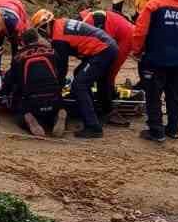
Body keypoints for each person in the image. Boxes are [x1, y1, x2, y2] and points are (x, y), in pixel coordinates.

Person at [30, 8, 117, 139]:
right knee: (79, 74)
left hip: (102, 50)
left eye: (42, 29)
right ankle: (93, 112)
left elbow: (61, 69)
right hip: (105, 46)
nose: (43, 34)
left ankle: (93, 127)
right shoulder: (60, 24)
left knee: (79, 85)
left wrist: (55, 92)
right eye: (40, 31)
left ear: (48, 24)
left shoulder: (58, 38)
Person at [130, 0, 178, 142]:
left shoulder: (153, 5)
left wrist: (136, 51)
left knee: (153, 95)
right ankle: (174, 130)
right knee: (175, 96)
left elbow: (140, 31)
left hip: (155, 59)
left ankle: (156, 131)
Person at [79, 5, 135, 126]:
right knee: (102, 71)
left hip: (126, 37)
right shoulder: (90, 18)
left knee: (107, 72)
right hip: (122, 34)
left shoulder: (92, 21)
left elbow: (100, 46)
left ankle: (109, 110)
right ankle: (107, 97)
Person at [4, 26, 63, 138]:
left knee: (19, 110)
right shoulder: (52, 52)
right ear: (37, 38)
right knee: (58, 106)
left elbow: (11, 80)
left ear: (23, 42)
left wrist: (4, 91)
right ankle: (60, 113)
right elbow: (60, 73)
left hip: (32, 101)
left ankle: (28, 118)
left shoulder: (18, 57)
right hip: (54, 98)